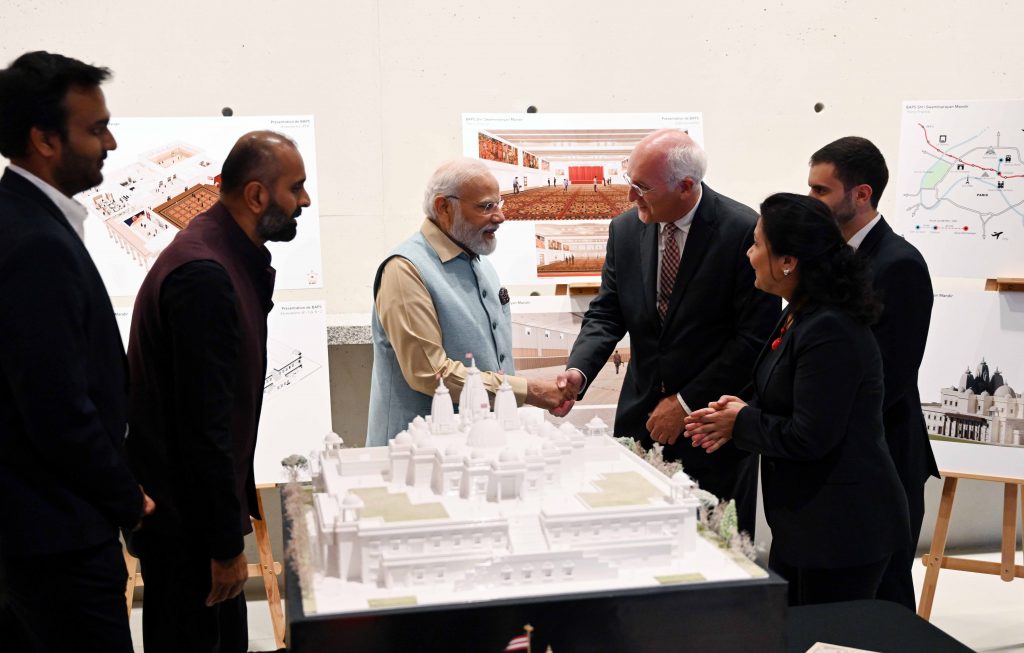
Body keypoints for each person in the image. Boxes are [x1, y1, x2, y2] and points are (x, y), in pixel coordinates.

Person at [126, 131, 310, 653]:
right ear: (256, 196)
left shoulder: (222, 255)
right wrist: (224, 544)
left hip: (191, 523)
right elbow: (203, 427)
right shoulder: (206, 275)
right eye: (295, 188)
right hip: (188, 533)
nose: (304, 201)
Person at [684, 193, 911, 606]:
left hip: (844, 528)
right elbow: (785, 393)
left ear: (788, 260)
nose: (749, 255)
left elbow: (810, 435)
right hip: (809, 523)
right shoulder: (800, 312)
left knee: (829, 641)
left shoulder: (830, 329)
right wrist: (735, 411)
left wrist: (741, 423)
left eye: (756, 244)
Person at [0, 50, 152, 653]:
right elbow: (56, 407)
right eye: (95, 129)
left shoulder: (28, 219)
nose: (110, 141)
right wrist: (127, 497)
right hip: (56, 533)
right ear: (43, 139)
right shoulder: (32, 240)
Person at [557, 129, 779, 534]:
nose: (630, 197)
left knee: (715, 546)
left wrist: (685, 402)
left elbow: (754, 340)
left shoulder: (743, 232)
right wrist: (579, 370)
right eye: (629, 183)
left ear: (686, 186)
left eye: (641, 187)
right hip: (638, 425)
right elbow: (607, 312)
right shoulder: (625, 230)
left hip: (710, 431)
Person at [808, 136, 939, 611]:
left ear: (861, 194)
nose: (811, 201)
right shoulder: (831, 259)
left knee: (884, 599)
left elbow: (890, 376)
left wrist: (809, 420)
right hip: (844, 457)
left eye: (821, 191)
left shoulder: (899, 264)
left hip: (885, 457)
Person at [367, 159, 572, 446]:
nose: (500, 216)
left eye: (499, 204)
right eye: (486, 207)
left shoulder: (480, 264)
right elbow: (431, 373)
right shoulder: (405, 270)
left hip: (480, 447)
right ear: (443, 207)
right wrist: (527, 390)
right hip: (420, 454)